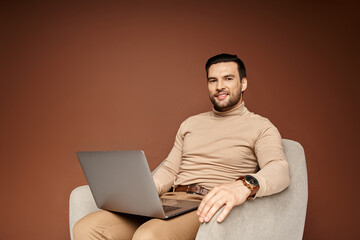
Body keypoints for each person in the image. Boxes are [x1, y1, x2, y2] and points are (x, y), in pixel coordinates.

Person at [73, 53, 290, 240]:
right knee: (86, 228)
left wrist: (244, 186)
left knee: (148, 236)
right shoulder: (191, 124)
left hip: (205, 206)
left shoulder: (261, 126)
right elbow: (169, 170)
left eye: (228, 78)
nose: (219, 86)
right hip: (170, 201)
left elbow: (279, 168)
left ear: (243, 83)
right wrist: (139, 195)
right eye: (212, 80)